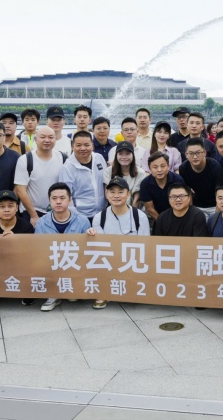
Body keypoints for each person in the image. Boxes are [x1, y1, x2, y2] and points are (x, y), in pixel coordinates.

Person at [89, 178, 150, 309]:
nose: (116, 196)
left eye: (120, 192)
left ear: (128, 194)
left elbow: (144, 247)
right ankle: (104, 291)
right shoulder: (99, 217)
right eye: (112, 192)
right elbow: (101, 248)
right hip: (109, 262)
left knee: (133, 298)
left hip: (132, 262)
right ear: (106, 194)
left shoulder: (140, 216)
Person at [35, 183, 92, 311]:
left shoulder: (82, 220)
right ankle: (53, 294)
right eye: (54, 198)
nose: (58, 202)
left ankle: (71, 287)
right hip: (51, 263)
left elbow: (87, 250)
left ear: (69, 200)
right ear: (49, 200)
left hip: (73, 262)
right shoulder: (42, 222)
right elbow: (38, 249)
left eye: (62, 198)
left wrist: (91, 235)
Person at [13, 126, 66, 222]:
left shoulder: (63, 158)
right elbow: (20, 190)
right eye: (42, 137)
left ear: (55, 139)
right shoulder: (25, 160)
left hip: (56, 211)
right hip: (30, 211)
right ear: (35, 139)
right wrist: (33, 215)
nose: (47, 140)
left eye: (51, 137)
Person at [58, 131, 108, 217]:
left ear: (92, 145)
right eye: (78, 145)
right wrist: (76, 217)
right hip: (81, 215)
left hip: (102, 213)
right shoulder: (67, 168)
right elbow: (65, 195)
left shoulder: (99, 158)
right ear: (72, 146)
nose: (83, 148)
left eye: (87, 145)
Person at [179, 137, 223, 211]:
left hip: (214, 206)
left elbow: (220, 193)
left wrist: (217, 215)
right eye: (191, 153)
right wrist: (191, 213)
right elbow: (187, 192)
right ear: (186, 154)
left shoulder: (215, 167)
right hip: (195, 206)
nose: (195, 157)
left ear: (204, 153)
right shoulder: (183, 168)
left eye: (198, 153)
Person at [140, 152, 185, 221]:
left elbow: (184, 202)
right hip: (157, 218)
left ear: (168, 166)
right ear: (150, 169)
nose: (159, 170)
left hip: (178, 215)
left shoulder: (178, 180)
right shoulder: (145, 184)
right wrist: (163, 223)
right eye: (155, 167)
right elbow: (149, 209)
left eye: (163, 166)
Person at [102, 141, 146, 205]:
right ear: (116, 155)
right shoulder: (108, 171)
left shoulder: (140, 173)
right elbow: (108, 193)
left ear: (133, 155)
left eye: (127, 154)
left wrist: (132, 210)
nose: (124, 157)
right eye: (120, 154)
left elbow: (136, 197)